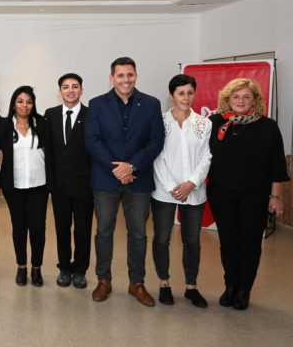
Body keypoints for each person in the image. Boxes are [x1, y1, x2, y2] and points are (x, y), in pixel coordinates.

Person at [85, 57, 164, 306]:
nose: (125, 80)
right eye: (120, 75)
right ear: (112, 78)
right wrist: (117, 169)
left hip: (139, 179)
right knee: (104, 232)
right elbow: (92, 141)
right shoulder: (97, 104)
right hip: (105, 179)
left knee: (138, 234)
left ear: (136, 76)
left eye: (130, 74)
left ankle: (136, 283)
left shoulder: (151, 104)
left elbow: (156, 141)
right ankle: (103, 281)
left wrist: (132, 166)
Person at [207, 78, 289, 311]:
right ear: (227, 99)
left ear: (255, 100)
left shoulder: (268, 127)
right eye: (236, 96)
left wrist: (276, 197)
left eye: (246, 97)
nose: (241, 101)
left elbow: (277, 165)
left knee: (250, 243)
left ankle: (244, 289)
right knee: (228, 242)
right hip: (221, 194)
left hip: (255, 195)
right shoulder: (215, 122)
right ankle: (230, 286)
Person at [151, 74, 211, 308]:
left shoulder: (204, 123)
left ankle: (191, 287)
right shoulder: (159, 122)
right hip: (164, 191)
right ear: (171, 95)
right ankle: (164, 283)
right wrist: (172, 187)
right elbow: (157, 156)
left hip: (194, 191)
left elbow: (206, 157)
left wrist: (191, 184)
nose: (186, 98)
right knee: (162, 238)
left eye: (190, 93)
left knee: (192, 241)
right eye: (181, 93)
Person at [0, 85, 50, 287]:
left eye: (29, 101)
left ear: (33, 104)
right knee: (19, 228)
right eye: (20, 101)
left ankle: (37, 267)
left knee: (38, 228)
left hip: (39, 185)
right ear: (13, 104)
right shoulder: (3, 126)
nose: (24, 105)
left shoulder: (42, 124)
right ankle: (21, 267)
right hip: (14, 187)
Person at [44, 73, 93, 290]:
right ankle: (64, 268)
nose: (70, 90)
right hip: (60, 185)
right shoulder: (50, 115)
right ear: (60, 91)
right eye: (66, 87)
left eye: (74, 86)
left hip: (84, 185)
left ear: (81, 90)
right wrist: (49, 182)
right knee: (62, 228)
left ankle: (80, 270)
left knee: (83, 229)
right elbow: (48, 150)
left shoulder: (91, 115)